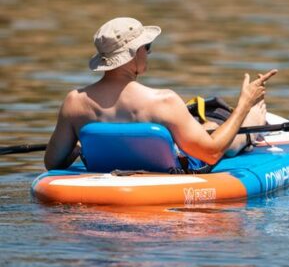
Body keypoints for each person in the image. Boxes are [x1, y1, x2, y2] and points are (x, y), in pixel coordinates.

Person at [44, 17, 277, 170]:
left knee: (202, 129)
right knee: (220, 136)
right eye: (147, 48)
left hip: (110, 170)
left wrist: (79, 147)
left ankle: (206, 126)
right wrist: (245, 103)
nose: (149, 53)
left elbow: (53, 162)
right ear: (135, 53)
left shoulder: (74, 103)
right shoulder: (162, 101)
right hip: (175, 169)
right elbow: (212, 154)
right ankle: (252, 123)